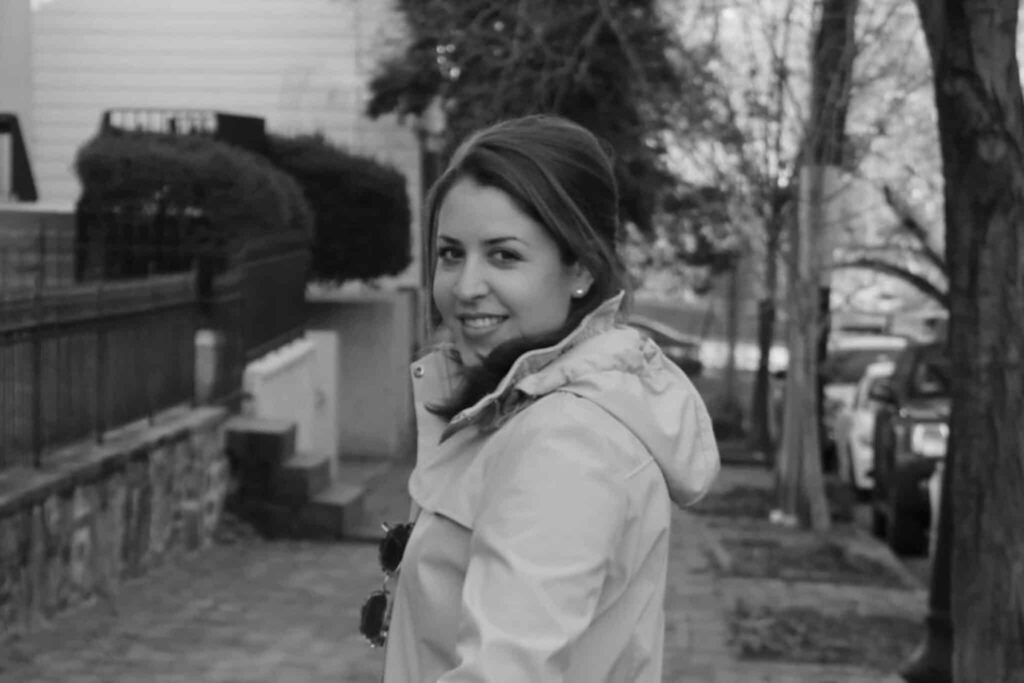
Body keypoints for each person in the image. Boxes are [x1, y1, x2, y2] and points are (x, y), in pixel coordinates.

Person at [372, 114, 720, 682]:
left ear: (580, 265)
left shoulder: (565, 443)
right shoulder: (523, 411)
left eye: (504, 255)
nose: (464, 287)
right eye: (451, 254)